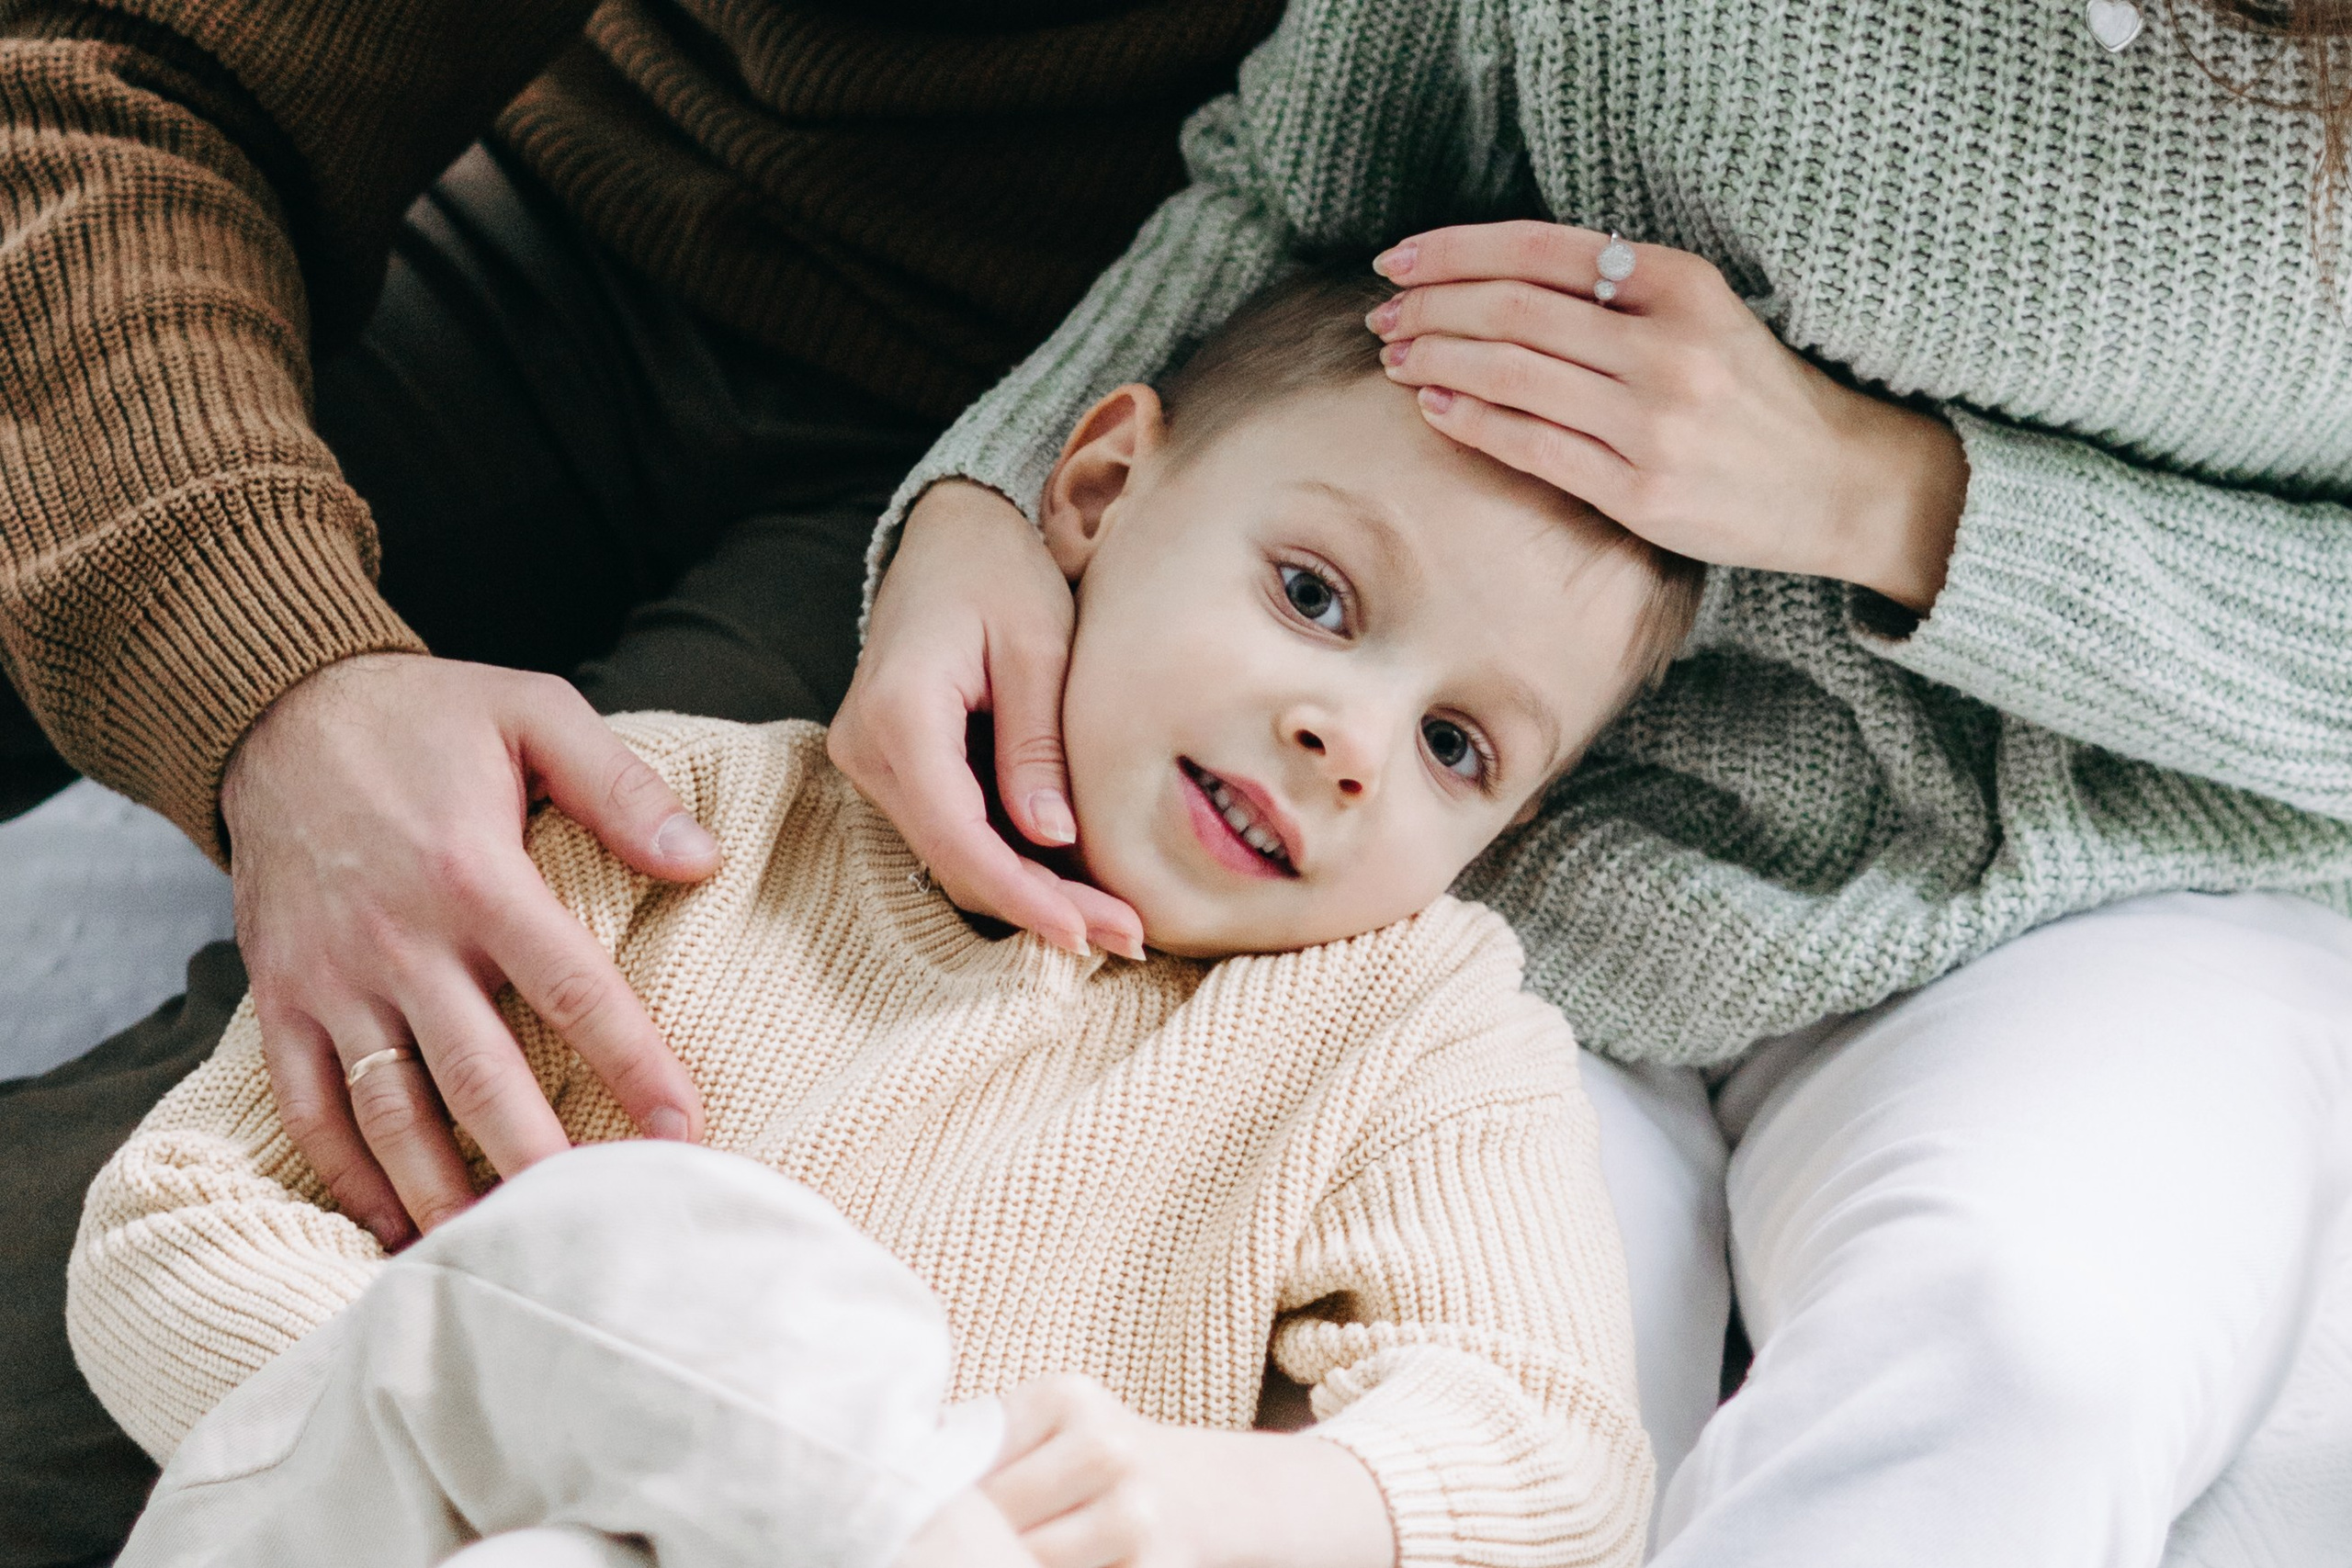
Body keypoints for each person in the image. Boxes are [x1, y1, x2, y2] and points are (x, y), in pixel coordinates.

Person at [826, 3, 2352, 1564]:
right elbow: (1291, 186)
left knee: (2022, 1345)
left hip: (2134, 873)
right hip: (1516, 856)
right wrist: (990, 501)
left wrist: (1885, 494)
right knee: (1321, 1418)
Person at [71, 268, 1697, 1567]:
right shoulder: (682, 815)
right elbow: (178, 1221)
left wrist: (1206, 1511)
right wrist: (546, 1419)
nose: (1349, 742)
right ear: (1102, 484)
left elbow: (1547, 1455)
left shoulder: (1417, 1032)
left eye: (1457, 747)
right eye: (1316, 597)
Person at [0, 5, 1282, 1559]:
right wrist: (281, 686)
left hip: (1051, 511)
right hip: (572, 200)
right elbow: (105, 71)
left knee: (399, 1162)